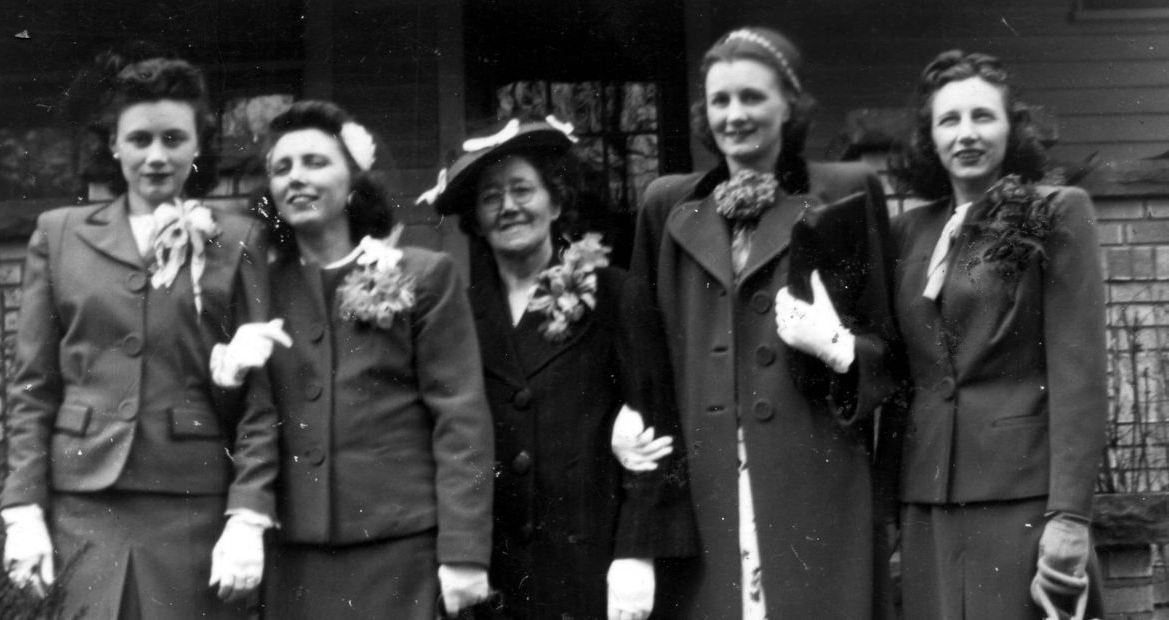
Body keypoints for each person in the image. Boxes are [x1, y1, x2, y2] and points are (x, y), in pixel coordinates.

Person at [619, 26, 897, 619]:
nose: (734, 115)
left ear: (789, 106)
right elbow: (641, 356)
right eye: (720, 100)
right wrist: (628, 422)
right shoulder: (667, 206)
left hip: (816, 478)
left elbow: (889, 351)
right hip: (702, 488)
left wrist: (843, 350)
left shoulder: (844, 195)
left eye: (752, 97)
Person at [0, 48, 277, 618]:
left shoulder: (237, 238)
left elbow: (261, 401)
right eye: (140, 139)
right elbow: (32, 388)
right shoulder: (59, 235)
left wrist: (247, 516)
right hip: (82, 502)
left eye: (173, 139)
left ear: (197, 146)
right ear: (114, 144)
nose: (156, 156)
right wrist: (23, 510)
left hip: (192, 502)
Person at [221, 100, 493, 619]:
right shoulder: (258, 289)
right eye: (282, 168)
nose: (296, 177)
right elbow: (247, 419)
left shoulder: (423, 274)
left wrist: (463, 553)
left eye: (315, 162)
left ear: (354, 181)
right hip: (295, 551)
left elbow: (460, 420)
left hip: (399, 545)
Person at [427, 116, 697, 620]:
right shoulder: (458, 313)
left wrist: (636, 554)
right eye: (490, 197)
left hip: (591, 564)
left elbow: (656, 430)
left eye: (522, 189)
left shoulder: (616, 295)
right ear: (476, 220)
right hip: (496, 570)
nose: (508, 207)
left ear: (555, 201)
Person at [888, 50, 1107, 619]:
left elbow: (1079, 374)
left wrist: (1070, 516)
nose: (966, 134)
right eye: (948, 120)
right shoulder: (909, 232)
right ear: (929, 137)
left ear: (1012, 128)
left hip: (1023, 497)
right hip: (927, 500)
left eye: (983, 116)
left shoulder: (1056, 212)